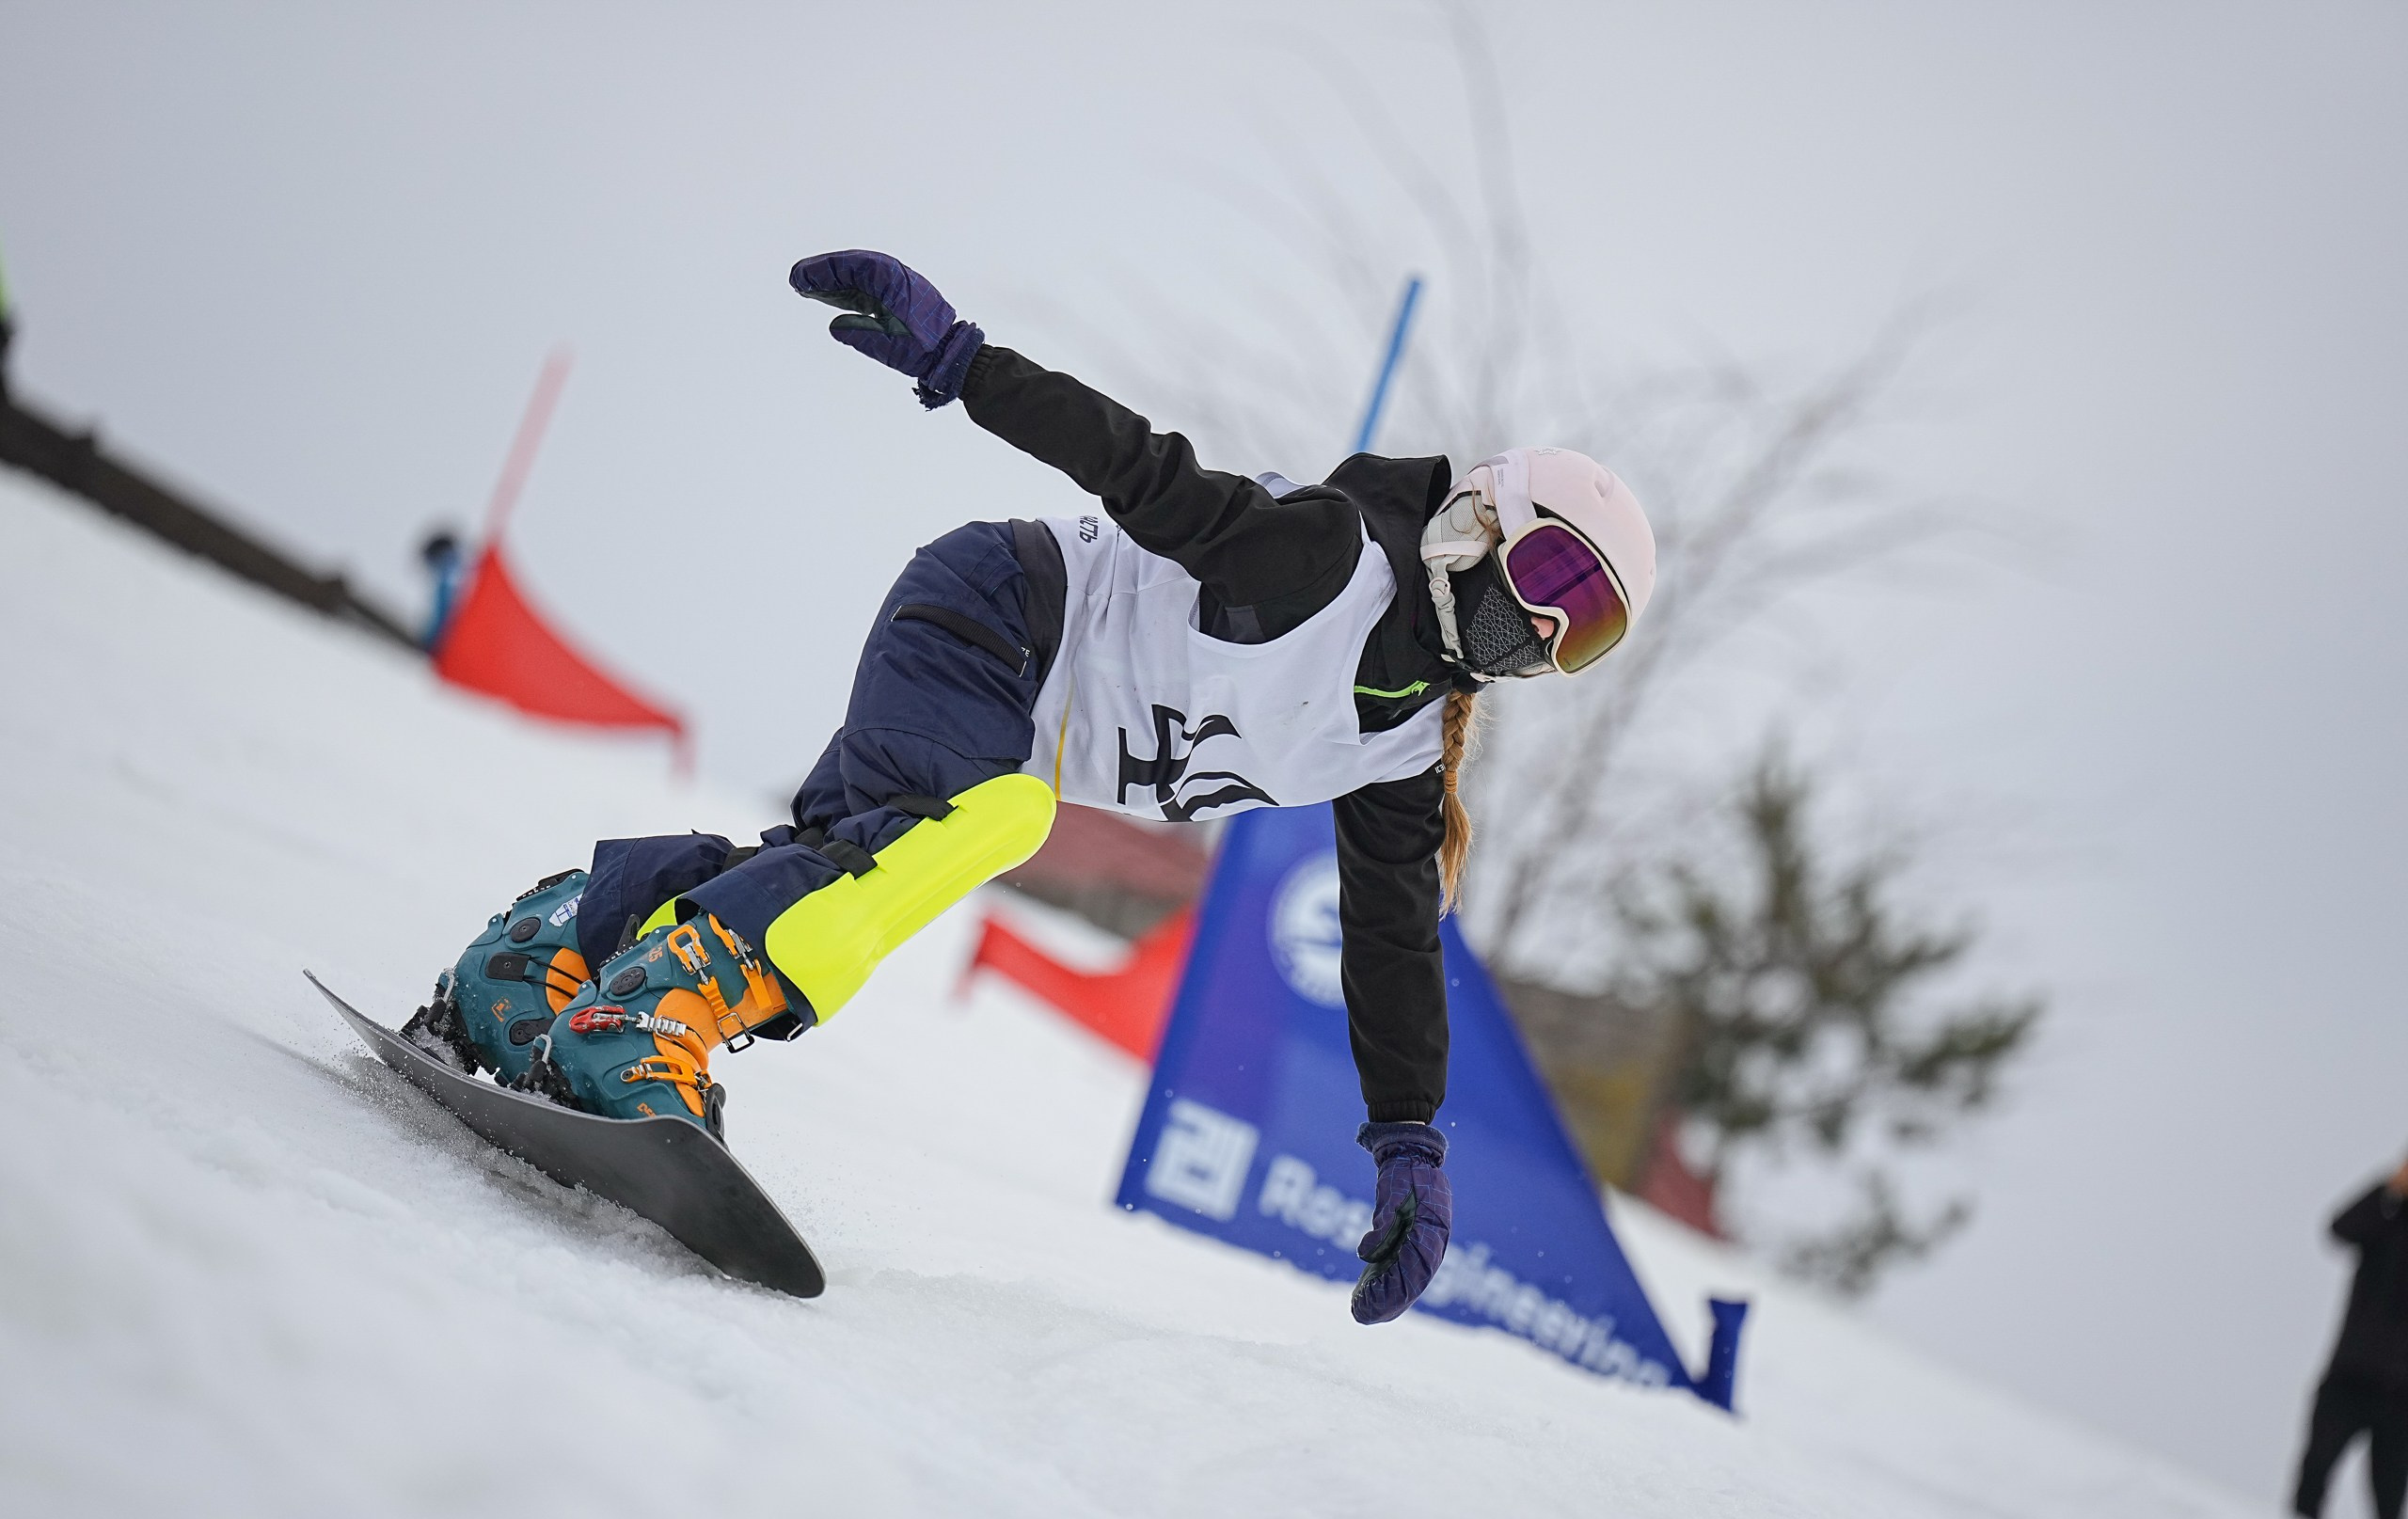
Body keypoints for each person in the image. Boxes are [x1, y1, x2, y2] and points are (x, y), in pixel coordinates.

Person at [408, 250, 1656, 1323]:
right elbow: (1147, 471)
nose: (1542, 629)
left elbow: (1391, 941)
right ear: (1478, 520)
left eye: (1585, 629)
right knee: (983, 822)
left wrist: (1409, 1137)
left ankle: (541, 954)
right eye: (1551, 574)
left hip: (999, 692)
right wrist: (962, 361)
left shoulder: (1403, 742)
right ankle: (647, 1018)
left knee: (841, 862)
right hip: (993, 613)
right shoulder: (1333, 561)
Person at [2293, 1151, 2408, 1519]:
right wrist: (2389, 1187)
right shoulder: (2388, 1221)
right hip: (2349, 1378)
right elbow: (2340, 1229)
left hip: (2401, 1399)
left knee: (2389, 1511)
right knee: (2312, 1481)